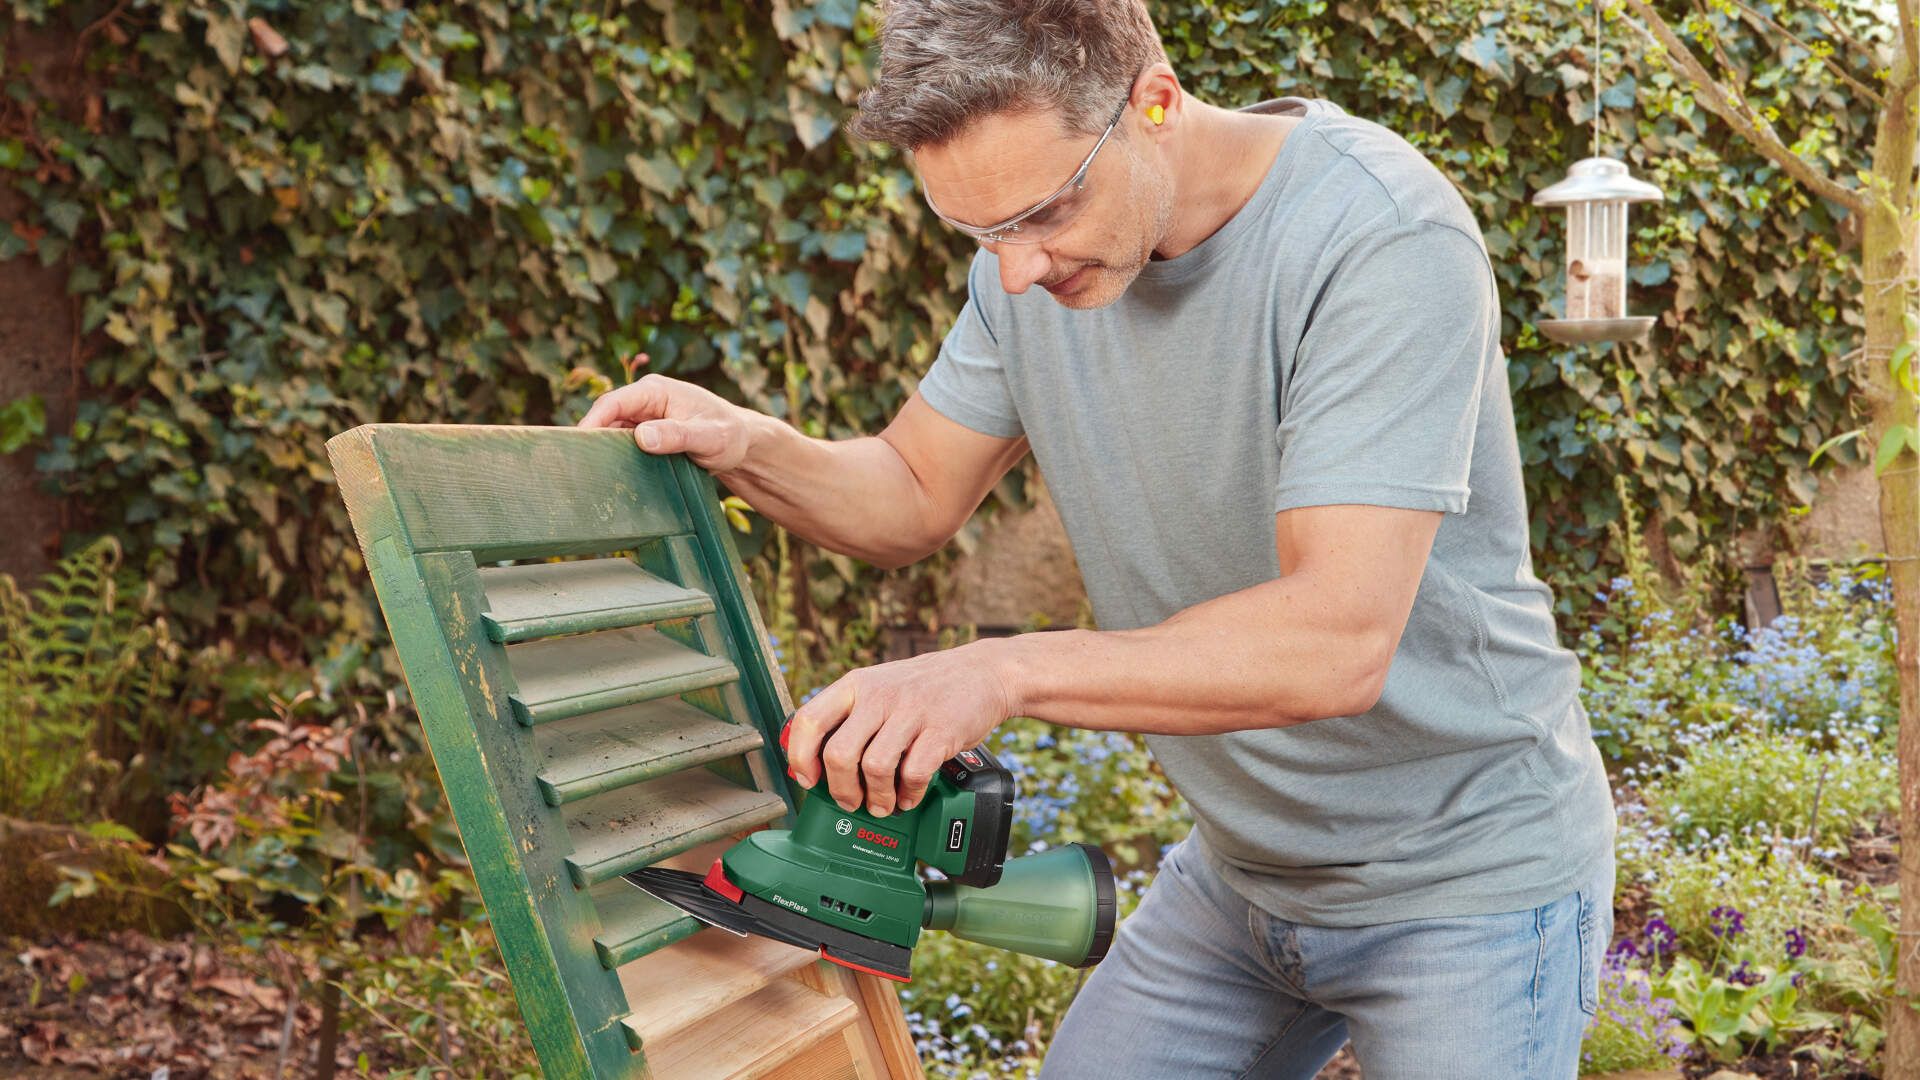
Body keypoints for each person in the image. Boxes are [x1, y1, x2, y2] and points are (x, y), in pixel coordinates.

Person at [580, 1, 1616, 1075]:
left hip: (1469, 883)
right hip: (1243, 877)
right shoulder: (1030, 266)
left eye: (1043, 212)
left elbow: (1337, 639)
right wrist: (748, 445)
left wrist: (1000, 670)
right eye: (981, 233)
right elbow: (912, 490)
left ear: (1154, 103)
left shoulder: (1379, 237)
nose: (1016, 271)